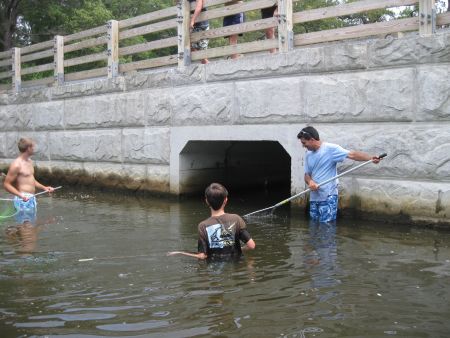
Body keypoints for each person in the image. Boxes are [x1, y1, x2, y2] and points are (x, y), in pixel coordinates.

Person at [297, 126, 382, 223]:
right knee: (313, 229)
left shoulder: (331, 149)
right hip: (314, 198)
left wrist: (370, 158)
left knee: (326, 229)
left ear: (312, 140)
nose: (303, 146)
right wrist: (310, 182)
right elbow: (306, 175)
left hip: (328, 197)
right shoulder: (308, 154)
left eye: (304, 143)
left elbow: (352, 155)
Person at [168, 183, 256, 260]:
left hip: (215, 268)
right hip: (236, 264)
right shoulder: (236, 219)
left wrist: (181, 253)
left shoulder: (203, 226)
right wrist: (239, 249)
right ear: (225, 200)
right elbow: (251, 246)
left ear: (207, 201)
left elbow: (202, 256)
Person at [3, 137, 54, 224]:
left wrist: (44, 188)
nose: (34, 149)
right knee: (26, 231)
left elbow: (31, 180)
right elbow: (6, 184)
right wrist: (20, 195)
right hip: (23, 200)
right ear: (28, 148)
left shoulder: (30, 162)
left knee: (31, 229)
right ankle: (15, 233)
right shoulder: (16, 165)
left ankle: (16, 233)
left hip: (31, 198)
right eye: (32, 147)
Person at [188, 0, 209, 64]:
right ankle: (205, 64)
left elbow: (199, 6)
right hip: (193, 25)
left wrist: (192, 21)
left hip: (201, 24)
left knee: (202, 50)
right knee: (191, 47)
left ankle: (207, 65)